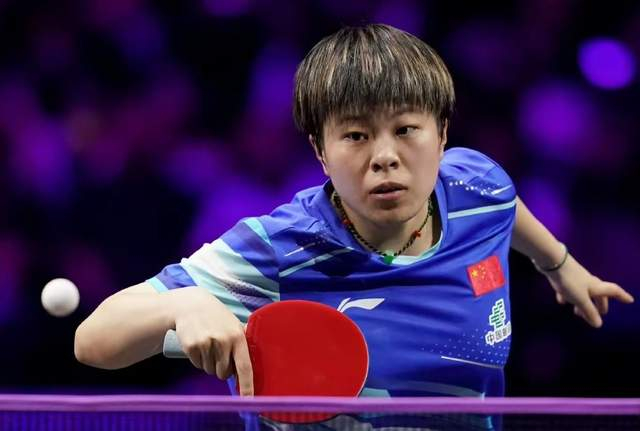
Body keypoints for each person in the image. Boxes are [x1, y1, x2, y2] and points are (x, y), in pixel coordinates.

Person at [75, 24, 634, 429]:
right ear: (321, 151)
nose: (385, 156)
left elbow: (506, 208)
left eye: (406, 129)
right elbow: (93, 342)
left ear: (442, 135)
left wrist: (560, 265)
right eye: (356, 136)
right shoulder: (280, 247)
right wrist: (182, 304)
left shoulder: (476, 185)